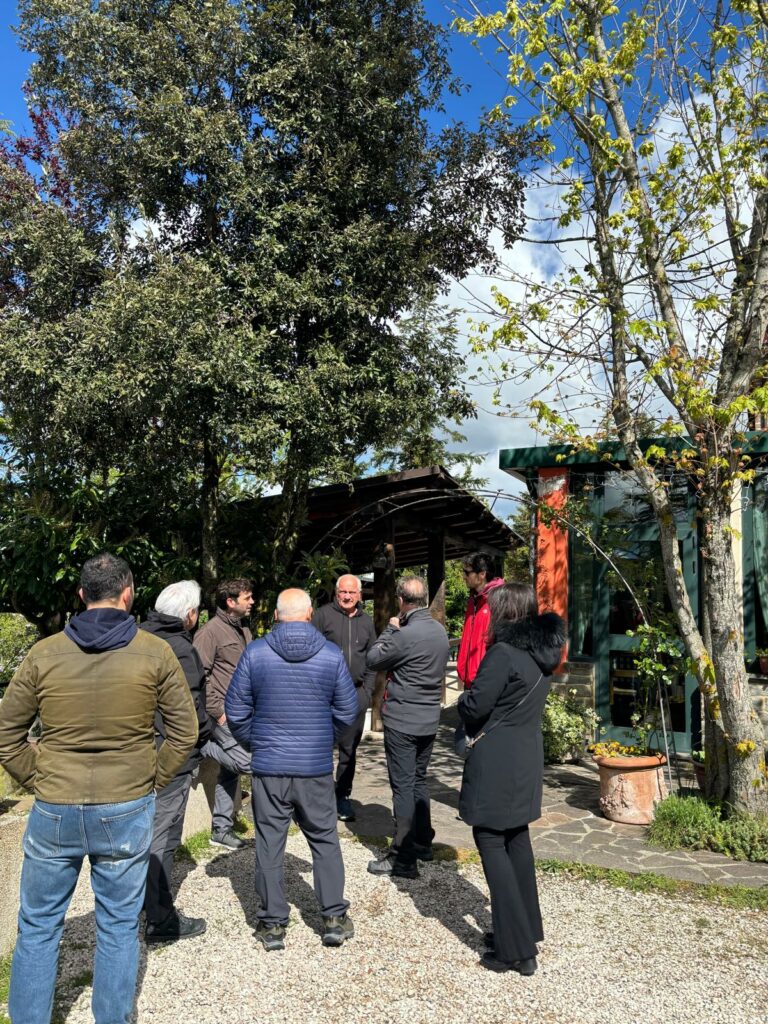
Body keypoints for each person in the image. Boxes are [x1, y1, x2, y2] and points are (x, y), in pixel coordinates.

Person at [0, 553, 198, 1024]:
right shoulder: (156, 652)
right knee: (117, 926)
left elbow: (7, 736)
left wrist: (40, 776)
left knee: (38, 927)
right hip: (125, 804)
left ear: (81, 594)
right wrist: (150, 779)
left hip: (55, 806)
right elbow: (184, 733)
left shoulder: (43, 653)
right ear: (128, 594)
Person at [225, 588, 359, 951]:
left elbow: (235, 711)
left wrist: (258, 743)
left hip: (270, 767)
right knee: (325, 839)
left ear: (277, 616)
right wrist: (324, 741)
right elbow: (349, 712)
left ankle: (272, 925)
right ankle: (332, 917)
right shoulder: (330, 655)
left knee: (269, 843)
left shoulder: (256, 653)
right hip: (313, 767)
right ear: (310, 613)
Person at [458, 583, 565, 977]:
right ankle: (525, 930)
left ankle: (514, 948)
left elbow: (476, 705)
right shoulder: (541, 654)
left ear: (503, 614)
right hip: (525, 758)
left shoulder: (503, 653)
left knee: (489, 838)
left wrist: (459, 701)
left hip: (497, 760)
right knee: (516, 838)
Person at [139, 579, 211, 943]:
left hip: (139, 751)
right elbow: (189, 709)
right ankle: (160, 920)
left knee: (147, 834)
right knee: (163, 838)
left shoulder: (138, 637)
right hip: (171, 755)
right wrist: (205, 734)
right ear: (190, 614)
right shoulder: (179, 648)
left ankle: (143, 904)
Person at [365, 575, 449, 879]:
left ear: (401, 601)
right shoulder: (439, 632)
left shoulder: (404, 633)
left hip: (403, 720)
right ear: (424, 598)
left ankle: (402, 858)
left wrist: (390, 628)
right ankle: (423, 841)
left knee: (402, 787)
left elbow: (374, 658)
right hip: (429, 719)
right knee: (418, 781)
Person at [194, 577, 254, 849]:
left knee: (229, 773)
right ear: (230, 602)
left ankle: (221, 829)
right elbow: (199, 677)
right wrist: (217, 712)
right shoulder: (210, 632)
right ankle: (204, 747)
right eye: (247, 597)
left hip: (244, 714)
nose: (252, 601)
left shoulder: (243, 630)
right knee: (247, 764)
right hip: (222, 715)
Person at [312, 574, 376, 822]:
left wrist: (368, 692)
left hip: (355, 694)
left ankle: (342, 797)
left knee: (349, 750)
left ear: (359, 595)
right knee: (321, 748)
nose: (347, 597)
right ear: (336, 593)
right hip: (325, 696)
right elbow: (310, 651)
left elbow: (373, 659)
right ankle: (319, 798)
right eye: (343, 592)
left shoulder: (367, 622)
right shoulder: (321, 616)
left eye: (352, 592)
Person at [456, 552, 505, 689]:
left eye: (467, 572)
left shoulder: (500, 600)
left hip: (486, 682)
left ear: (482, 574)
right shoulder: (473, 599)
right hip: (469, 681)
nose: (463, 576)